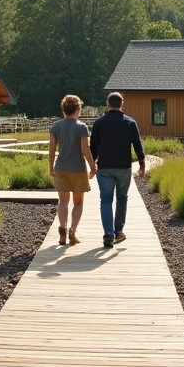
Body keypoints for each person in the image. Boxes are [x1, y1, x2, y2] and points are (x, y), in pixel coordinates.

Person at [90, 92, 146, 249]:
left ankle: (108, 235)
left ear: (107, 104)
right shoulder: (129, 122)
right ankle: (119, 231)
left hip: (105, 167)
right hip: (123, 167)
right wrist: (141, 162)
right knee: (122, 198)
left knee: (106, 201)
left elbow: (93, 145)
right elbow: (137, 144)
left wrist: (92, 164)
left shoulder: (99, 122)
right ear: (122, 104)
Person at [48, 94, 97, 245]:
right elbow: (85, 149)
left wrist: (51, 168)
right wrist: (92, 166)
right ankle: (72, 232)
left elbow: (51, 150)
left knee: (63, 201)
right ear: (77, 109)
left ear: (64, 109)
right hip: (77, 169)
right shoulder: (81, 127)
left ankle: (62, 228)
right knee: (78, 202)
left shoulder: (56, 126)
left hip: (61, 167)